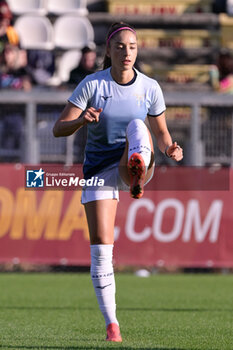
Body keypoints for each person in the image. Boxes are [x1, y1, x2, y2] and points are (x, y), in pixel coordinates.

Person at [53, 22, 183, 342]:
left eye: (133, 47)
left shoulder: (150, 87)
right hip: (99, 171)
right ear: (108, 51)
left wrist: (170, 148)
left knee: (139, 127)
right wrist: (81, 120)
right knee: (101, 248)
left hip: (132, 160)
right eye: (121, 46)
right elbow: (59, 128)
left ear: (137, 51)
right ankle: (112, 324)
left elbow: (162, 131)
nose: (127, 53)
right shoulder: (92, 85)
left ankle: (136, 173)